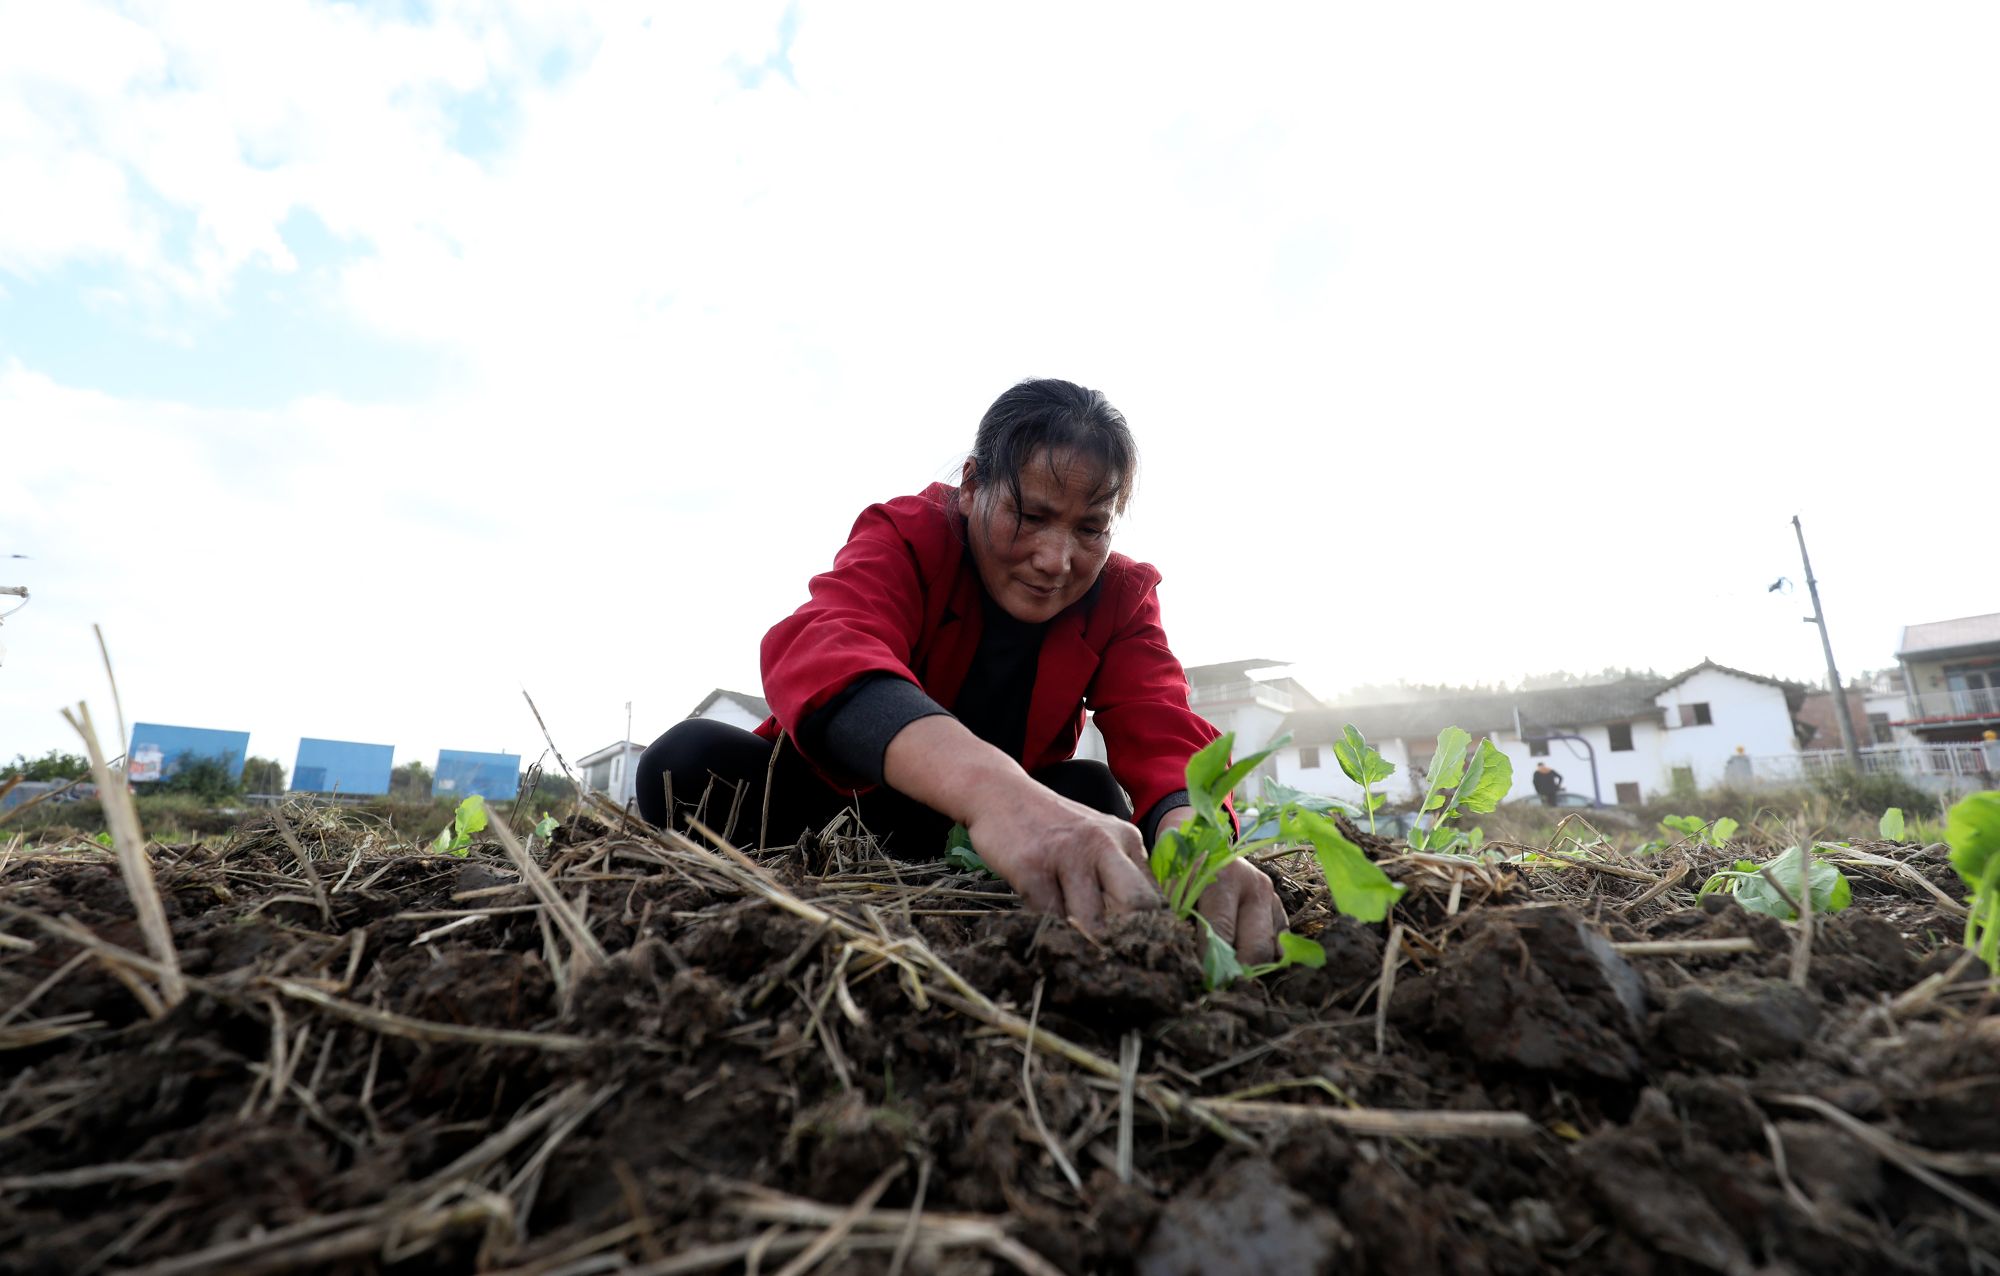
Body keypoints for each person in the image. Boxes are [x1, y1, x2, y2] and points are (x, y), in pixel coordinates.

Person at [634, 379, 1285, 962]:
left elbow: (1163, 726)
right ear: (973, 486)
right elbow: (825, 648)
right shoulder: (911, 535)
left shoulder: (1120, 597)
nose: (1056, 559)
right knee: (685, 764)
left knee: (1092, 798)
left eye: (1091, 528)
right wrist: (997, 796)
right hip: (835, 808)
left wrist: (1197, 846)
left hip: (980, 846)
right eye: (1030, 516)